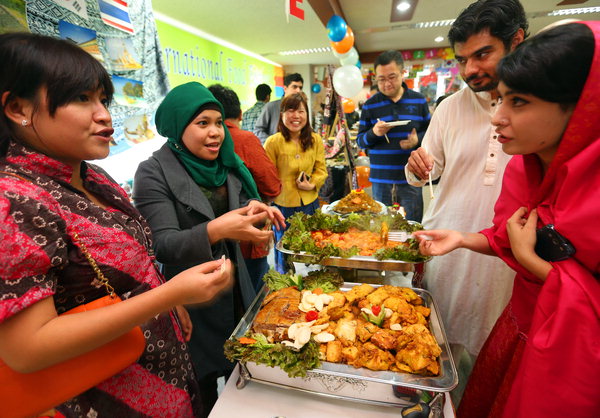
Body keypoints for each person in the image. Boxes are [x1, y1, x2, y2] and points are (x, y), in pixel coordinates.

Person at [0, 33, 232, 417]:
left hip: (163, 377)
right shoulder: (14, 200)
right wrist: (167, 297)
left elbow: (132, 265)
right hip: (103, 397)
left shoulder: (93, 178)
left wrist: (165, 305)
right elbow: (27, 349)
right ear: (18, 107)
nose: (105, 114)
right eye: (81, 99)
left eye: (103, 99)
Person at [414, 22, 600, 417]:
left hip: (569, 360)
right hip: (518, 330)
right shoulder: (525, 167)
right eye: (500, 100)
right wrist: (463, 238)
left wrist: (534, 264)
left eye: (518, 102)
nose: (497, 117)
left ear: (582, 104)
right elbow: (505, 237)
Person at [132, 82, 284, 417]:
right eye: (203, 123)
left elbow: (240, 205)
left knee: (243, 383)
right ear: (177, 124)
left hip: (235, 291)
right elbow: (163, 245)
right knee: (200, 394)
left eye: (218, 122)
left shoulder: (225, 165)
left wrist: (256, 210)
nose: (215, 132)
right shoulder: (153, 171)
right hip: (191, 303)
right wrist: (217, 229)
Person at [405, 0, 528, 397]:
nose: (470, 69)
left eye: (482, 54)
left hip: (506, 262)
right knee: (433, 353)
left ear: (517, 42)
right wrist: (417, 165)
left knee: (493, 365)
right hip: (447, 249)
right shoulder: (449, 108)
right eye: (462, 60)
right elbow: (427, 168)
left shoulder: (539, 108)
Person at [208, 83, 282, 291]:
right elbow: (272, 186)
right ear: (240, 114)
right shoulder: (244, 140)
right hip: (246, 236)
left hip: (209, 245)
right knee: (254, 294)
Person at [357, 50, 430, 221]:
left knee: (411, 224)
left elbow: (432, 133)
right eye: (381, 79)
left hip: (411, 177)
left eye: (392, 77)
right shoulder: (370, 105)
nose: (387, 84)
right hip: (381, 179)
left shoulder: (418, 101)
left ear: (403, 73)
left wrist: (417, 140)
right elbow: (361, 141)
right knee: (382, 226)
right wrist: (374, 133)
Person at [264, 93, 328, 273]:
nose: (296, 116)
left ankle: (316, 277)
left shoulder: (315, 140)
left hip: (310, 203)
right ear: (282, 114)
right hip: (283, 205)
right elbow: (267, 177)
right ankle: (285, 282)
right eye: (290, 111)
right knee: (284, 247)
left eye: (301, 111)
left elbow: (321, 169)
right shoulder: (273, 142)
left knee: (314, 242)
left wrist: (313, 183)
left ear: (306, 115)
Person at [254, 73, 303, 143]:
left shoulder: (301, 108)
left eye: (300, 88)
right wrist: (273, 143)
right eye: (294, 87)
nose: (298, 91)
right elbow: (258, 130)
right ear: (285, 88)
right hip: (275, 151)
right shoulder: (271, 107)